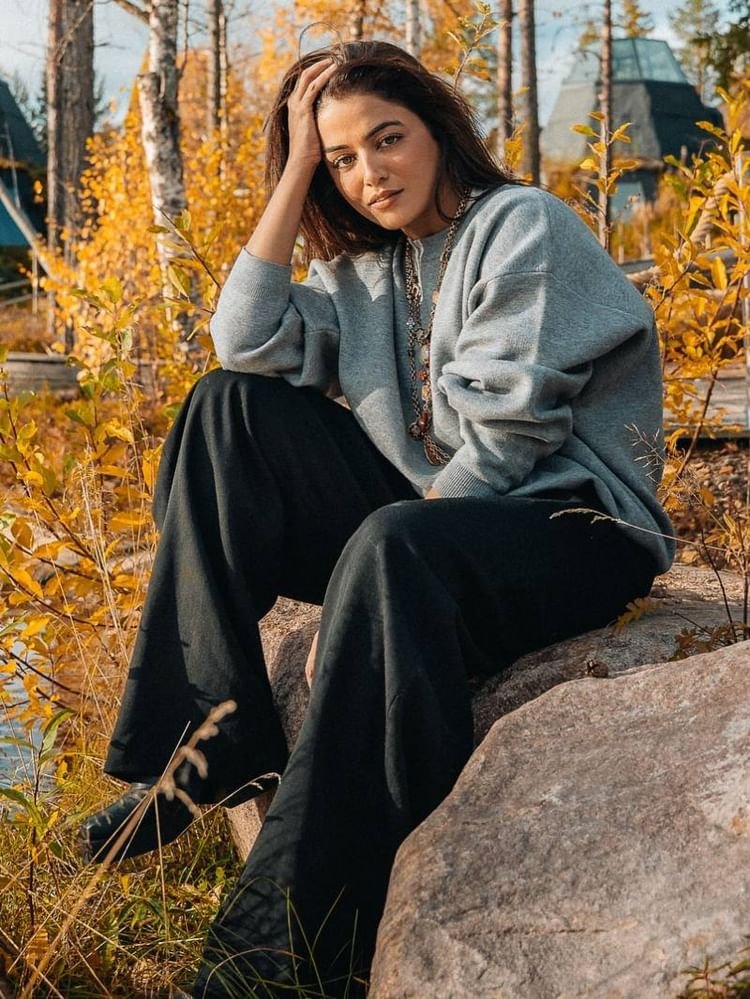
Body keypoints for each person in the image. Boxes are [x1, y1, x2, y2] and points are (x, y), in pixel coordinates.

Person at [80, 39, 674, 999]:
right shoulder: (364, 270)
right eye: (342, 159)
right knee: (225, 405)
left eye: (387, 139)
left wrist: (362, 580)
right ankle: (208, 741)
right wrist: (293, 172)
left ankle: (281, 946)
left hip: (571, 528)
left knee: (393, 544)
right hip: (432, 530)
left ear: (436, 128)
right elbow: (242, 340)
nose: (370, 175)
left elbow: (509, 439)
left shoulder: (523, 224)